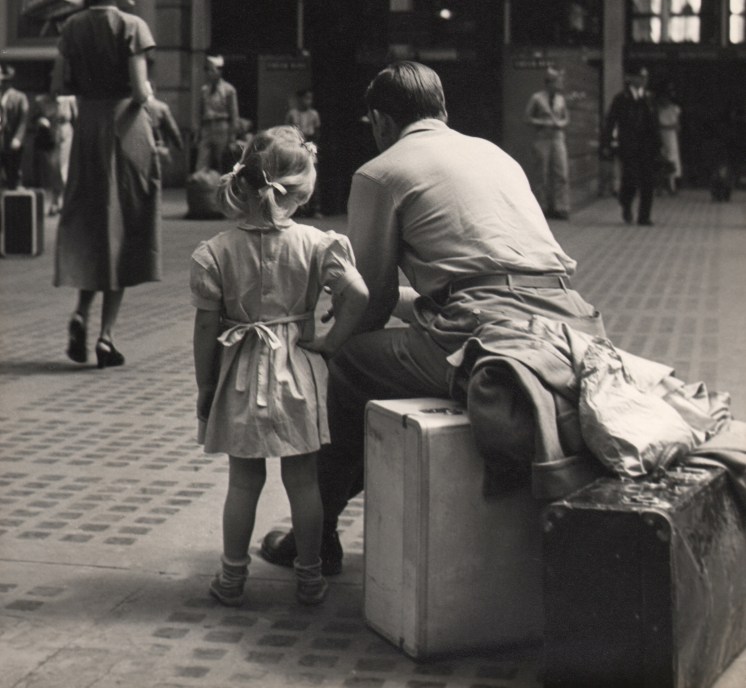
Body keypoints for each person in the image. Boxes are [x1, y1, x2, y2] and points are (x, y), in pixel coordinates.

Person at [259, 62, 741, 579]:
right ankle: (339, 506)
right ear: (443, 111)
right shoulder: (495, 154)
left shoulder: (380, 171)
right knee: (392, 349)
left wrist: (326, 342)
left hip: (487, 333)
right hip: (570, 322)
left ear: (379, 120)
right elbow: (479, 277)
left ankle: (319, 534)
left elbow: (372, 303)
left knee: (355, 364)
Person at [191, 126, 368, 607]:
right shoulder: (317, 243)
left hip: (241, 372)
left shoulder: (215, 252)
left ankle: (232, 579)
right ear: (303, 189)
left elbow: (206, 330)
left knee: (243, 483)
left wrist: (206, 386)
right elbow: (359, 295)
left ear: (243, 181)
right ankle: (309, 577)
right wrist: (330, 342)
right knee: (304, 481)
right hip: (299, 369)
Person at [51, 0, 161, 369]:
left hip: (88, 131)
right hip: (125, 129)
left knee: (95, 223)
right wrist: (151, 96)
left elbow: (61, 82)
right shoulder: (132, 27)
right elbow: (138, 91)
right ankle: (106, 339)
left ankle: (80, 313)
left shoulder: (72, 27)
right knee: (126, 228)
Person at [602, 64, 660, 226]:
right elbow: (611, 121)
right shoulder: (621, 99)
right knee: (630, 179)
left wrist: (659, 145)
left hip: (647, 146)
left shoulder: (649, 98)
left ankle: (644, 216)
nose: (644, 80)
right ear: (631, 79)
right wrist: (607, 143)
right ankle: (626, 203)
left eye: (645, 77)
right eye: (641, 77)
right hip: (628, 146)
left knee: (648, 181)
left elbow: (655, 123)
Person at [524, 67, 570, 219]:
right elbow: (527, 118)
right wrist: (543, 121)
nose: (559, 84)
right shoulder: (537, 98)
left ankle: (560, 206)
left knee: (561, 173)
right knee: (541, 173)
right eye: (557, 81)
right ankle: (542, 206)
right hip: (542, 137)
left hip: (557, 137)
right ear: (550, 83)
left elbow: (566, 118)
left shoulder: (560, 99)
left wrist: (560, 124)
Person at [195, 54, 239, 173]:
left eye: (212, 70)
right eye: (208, 70)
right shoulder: (204, 90)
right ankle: (201, 187)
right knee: (201, 162)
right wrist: (198, 132)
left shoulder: (229, 90)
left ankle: (224, 189)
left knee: (222, 162)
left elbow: (234, 115)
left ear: (219, 72)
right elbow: (200, 112)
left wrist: (232, 137)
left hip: (222, 127)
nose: (209, 73)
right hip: (207, 127)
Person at [286, 88, 322, 217]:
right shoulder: (292, 114)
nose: (308, 101)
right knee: (296, 175)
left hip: (309, 145)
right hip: (296, 145)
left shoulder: (314, 114)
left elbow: (317, 131)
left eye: (310, 98)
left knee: (312, 175)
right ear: (299, 99)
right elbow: (288, 130)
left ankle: (315, 208)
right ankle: (297, 208)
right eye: (306, 98)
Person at [0, 64, 30, 190]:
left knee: (13, 172)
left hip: (11, 141)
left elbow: (24, 120)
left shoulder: (20, 97)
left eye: (5, 81)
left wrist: (18, 138)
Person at [656, 87, 682, 194]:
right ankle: (660, 187)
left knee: (671, 160)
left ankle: (672, 186)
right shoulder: (658, 110)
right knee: (661, 160)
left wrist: (664, 127)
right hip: (661, 137)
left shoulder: (674, 109)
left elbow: (677, 126)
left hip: (670, 138)